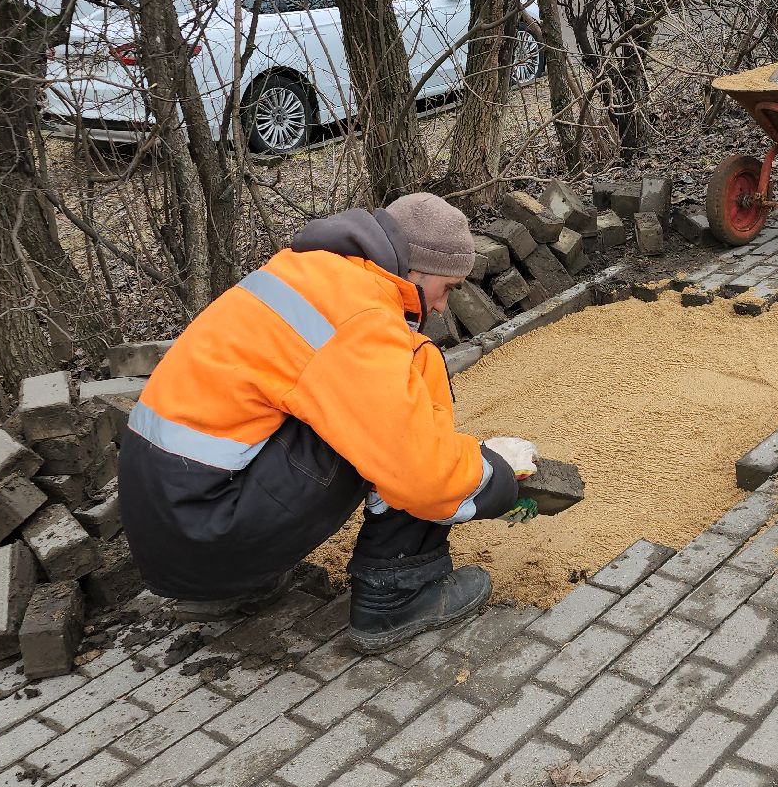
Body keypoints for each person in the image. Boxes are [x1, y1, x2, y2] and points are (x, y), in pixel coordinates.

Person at [118, 193, 539, 652]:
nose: (441, 307)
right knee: (398, 411)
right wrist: (493, 474)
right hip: (206, 537)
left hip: (171, 530)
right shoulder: (360, 319)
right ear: (416, 271)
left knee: (364, 407)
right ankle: (399, 592)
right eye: (449, 287)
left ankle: (232, 585)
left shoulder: (307, 273)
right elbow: (422, 472)